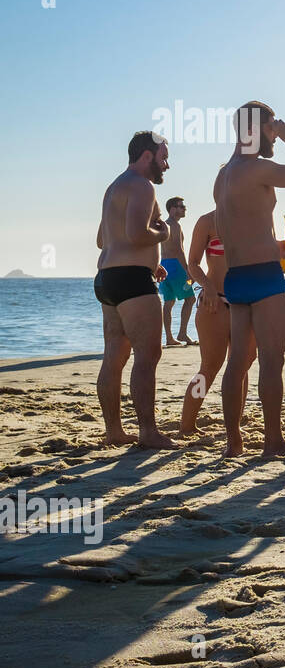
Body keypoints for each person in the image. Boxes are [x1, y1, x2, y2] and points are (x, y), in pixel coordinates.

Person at [213, 102, 285, 457]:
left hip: (237, 277)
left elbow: (239, 233)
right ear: (254, 130)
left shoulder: (224, 174)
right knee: (273, 360)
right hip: (263, 277)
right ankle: (272, 441)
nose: (275, 131)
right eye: (271, 126)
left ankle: (234, 443)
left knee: (238, 362)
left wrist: (277, 248)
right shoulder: (256, 168)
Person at [94, 132, 174, 449]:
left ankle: (113, 430)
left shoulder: (114, 187)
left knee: (114, 355)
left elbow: (104, 240)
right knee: (148, 354)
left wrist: (150, 263)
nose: (166, 164)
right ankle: (148, 432)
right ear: (146, 156)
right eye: (163, 157)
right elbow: (138, 234)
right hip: (132, 281)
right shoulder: (143, 186)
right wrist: (163, 230)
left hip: (108, 277)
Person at [179, 209, 256, 436]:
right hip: (215, 301)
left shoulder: (253, 216)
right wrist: (208, 286)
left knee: (241, 366)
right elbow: (193, 263)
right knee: (209, 368)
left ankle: (235, 425)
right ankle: (187, 424)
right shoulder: (207, 221)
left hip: (246, 300)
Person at [158, 196, 197, 346]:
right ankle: (182, 333)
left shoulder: (163, 225)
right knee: (190, 298)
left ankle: (169, 337)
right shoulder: (174, 225)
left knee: (169, 301)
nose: (184, 208)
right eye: (181, 206)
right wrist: (188, 270)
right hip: (176, 267)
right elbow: (178, 249)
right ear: (172, 209)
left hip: (164, 265)